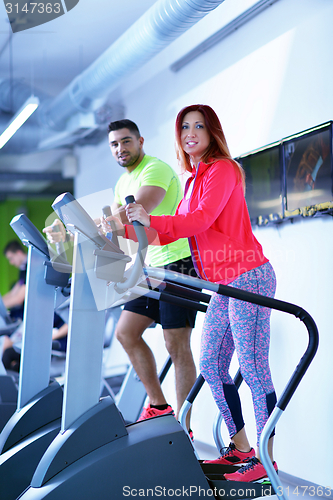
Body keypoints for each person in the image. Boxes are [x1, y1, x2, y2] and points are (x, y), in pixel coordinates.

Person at [111, 105, 278, 483]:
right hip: (223, 284)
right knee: (213, 368)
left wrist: (147, 219)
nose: (190, 132)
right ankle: (240, 450)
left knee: (252, 369)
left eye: (199, 126)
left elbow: (199, 219)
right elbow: (172, 231)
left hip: (248, 277)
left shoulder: (222, 169)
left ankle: (266, 462)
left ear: (212, 131)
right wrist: (119, 231)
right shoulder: (193, 179)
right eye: (184, 127)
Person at [44, 119, 198, 434]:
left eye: (126, 142)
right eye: (114, 144)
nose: (120, 149)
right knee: (126, 333)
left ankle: (185, 425)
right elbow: (114, 233)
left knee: (175, 344)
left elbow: (137, 211)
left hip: (178, 263)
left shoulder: (155, 169)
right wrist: (70, 235)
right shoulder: (121, 184)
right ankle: (159, 406)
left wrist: (89, 225)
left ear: (140, 141)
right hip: (149, 267)